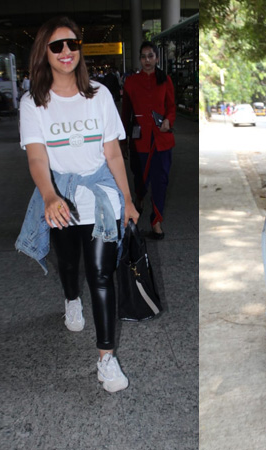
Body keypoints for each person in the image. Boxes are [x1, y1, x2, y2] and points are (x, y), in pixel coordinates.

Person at [15, 16, 139, 393]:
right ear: (45, 53)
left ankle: (106, 359)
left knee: (101, 275)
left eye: (73, 44)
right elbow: (37, 158)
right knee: (69, 263)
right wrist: (50, 195)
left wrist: (128, 200)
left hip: (101, 198)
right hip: (61, 200)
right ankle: (71, 299)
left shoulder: (98, 95)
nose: (66, 51)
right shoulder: (34, 102)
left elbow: (113, 153)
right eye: (57, 46)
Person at [121, 41, 176, 239]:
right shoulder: (131, 82)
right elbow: (125, 113)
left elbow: (171, 107)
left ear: (157, 58)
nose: (147, 60)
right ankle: (140, 197)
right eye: (143, 57)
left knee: (160, 181)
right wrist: (123, 140)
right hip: (139, 140)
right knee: (140, 177)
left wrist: (168, 120)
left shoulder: (165, 80)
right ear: (140, 59)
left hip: (161, 140)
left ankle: (156, 221)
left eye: (150, 56)